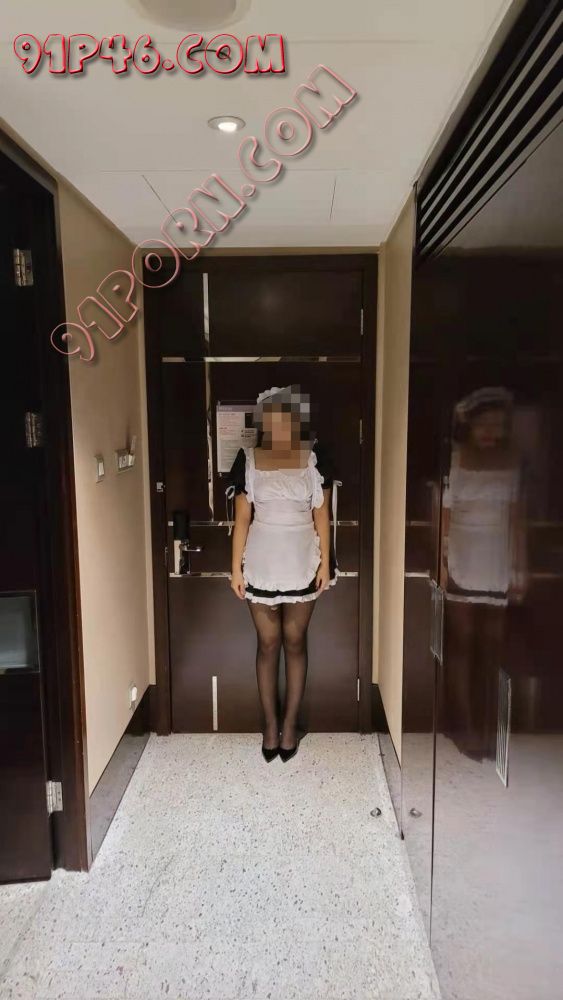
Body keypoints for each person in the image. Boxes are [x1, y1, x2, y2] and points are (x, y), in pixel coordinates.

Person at [225, 385, 339, 763]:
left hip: (302, 558)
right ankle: (269, 725)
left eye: (287, 417)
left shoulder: (313, 457)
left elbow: (322, 514)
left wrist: (326, 563)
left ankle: (290, 725)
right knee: (268, 643)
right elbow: (243, 518)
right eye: (272, 418)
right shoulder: (248, 459)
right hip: (262, 561)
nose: (280, 424)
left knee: (295, 641)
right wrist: (235, 568)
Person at [440, 386, 525, 760]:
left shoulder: (512, 460)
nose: (490, 431)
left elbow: (516, 518)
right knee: (461, 643)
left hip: (497, 558)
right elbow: (444, 515)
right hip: (463, 554)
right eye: (483, 424)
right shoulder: (455, 460)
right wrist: (442, 562)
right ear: (470, 425)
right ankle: (463, 725)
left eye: (497, 424)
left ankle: (489, 726)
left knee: (492, 647)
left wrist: (520, 566)